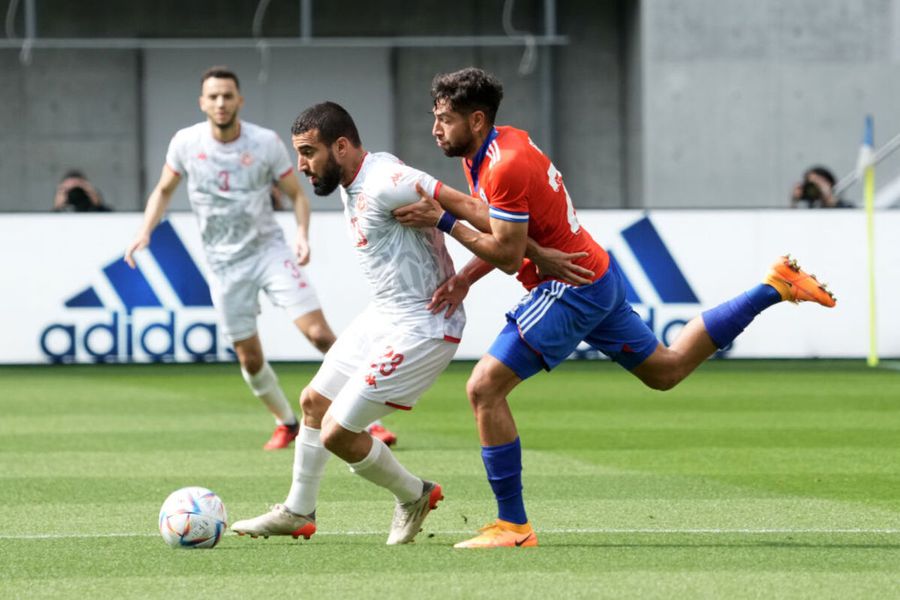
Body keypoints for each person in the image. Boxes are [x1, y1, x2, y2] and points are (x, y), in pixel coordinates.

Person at [393, 67, 838, 548]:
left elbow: (505, 253)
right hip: (594, 273)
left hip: (570, 285)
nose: (436, 128)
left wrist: (443, 221)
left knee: (483, 388)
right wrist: (462, 276)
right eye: (435, 117)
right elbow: (511, 235)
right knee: (664, 370)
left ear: (476, 120)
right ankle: (774, 286)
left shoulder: (503, 165)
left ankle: (513, 527)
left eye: (445, 119)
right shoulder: (498, 147)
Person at [230, 101, 465, 544]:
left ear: (341, 146)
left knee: (338, 432)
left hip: (425, 324)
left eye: (307, 152)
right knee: (314, 403)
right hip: (384, 313)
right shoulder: (353, 174)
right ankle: (298, 511)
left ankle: (414, 494)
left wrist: (478, 263)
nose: (300, 165)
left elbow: (478, 211)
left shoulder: (387, 182)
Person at [124, 66, 337, 451]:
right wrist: (144, 231)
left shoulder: (265, 143)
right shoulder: (185, 143)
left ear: (239, 100)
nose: (221, 103)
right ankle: (285, 422)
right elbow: (163, 190)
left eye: (227, 96)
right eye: (214, 96)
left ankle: (364, 420)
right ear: (203, 102)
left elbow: (298, 195)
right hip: (223, 264)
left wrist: (302, 235)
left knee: (321, 335)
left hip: (268, 250)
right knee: (250, 359)